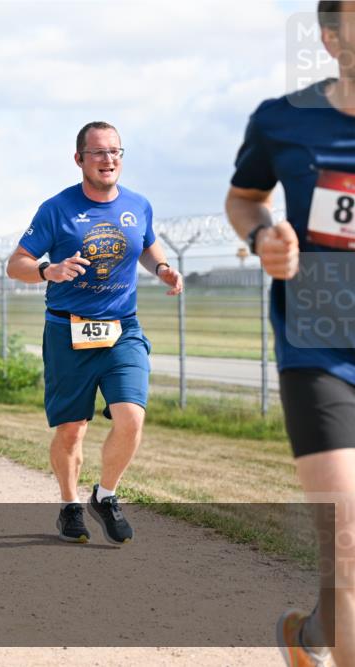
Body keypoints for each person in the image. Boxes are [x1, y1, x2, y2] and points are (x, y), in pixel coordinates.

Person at [225, 3, 355, 665]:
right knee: (349, 532)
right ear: (332, 37)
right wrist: (263, 234)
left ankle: (309, 637)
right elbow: (243, 197)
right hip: (320, 351)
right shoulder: (283, 120)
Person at [6, 121, 182, 546]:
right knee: (72, 430)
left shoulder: (138, 205)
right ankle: (70, 505)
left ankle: (105, 495)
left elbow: (145, 243)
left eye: (116, 152)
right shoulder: (57, 209)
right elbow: (17, 264)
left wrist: (161, 268)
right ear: (80, 158)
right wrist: (49, 270)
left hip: (123, 330)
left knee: (132, 418)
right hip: (68, 332)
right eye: (99, 152)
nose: (109, 160)